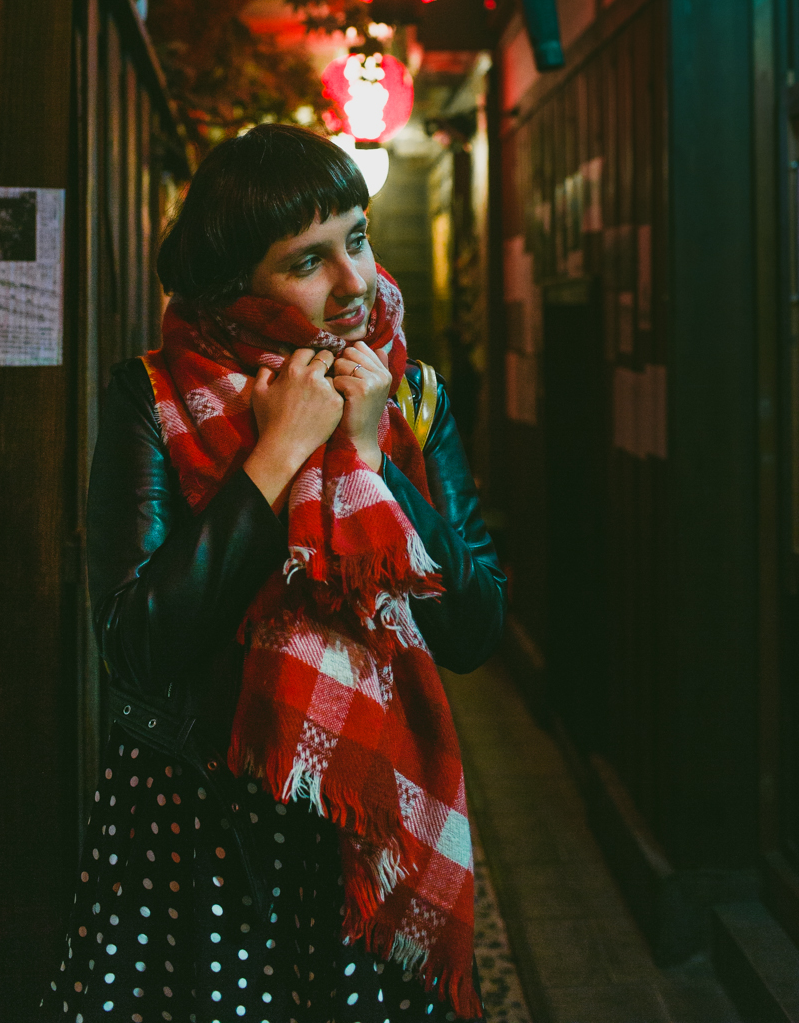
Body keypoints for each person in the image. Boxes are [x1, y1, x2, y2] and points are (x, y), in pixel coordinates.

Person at [40, 124, 507, 1023]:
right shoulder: (153, 395)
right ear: (234, 284)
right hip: (202, 826)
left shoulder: (408, 390)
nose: (355, 283)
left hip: (369, 822)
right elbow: (136, 644)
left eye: (358, 239)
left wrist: (369, 464)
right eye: (307, 260)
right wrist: (281, 451)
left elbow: (475, 629)